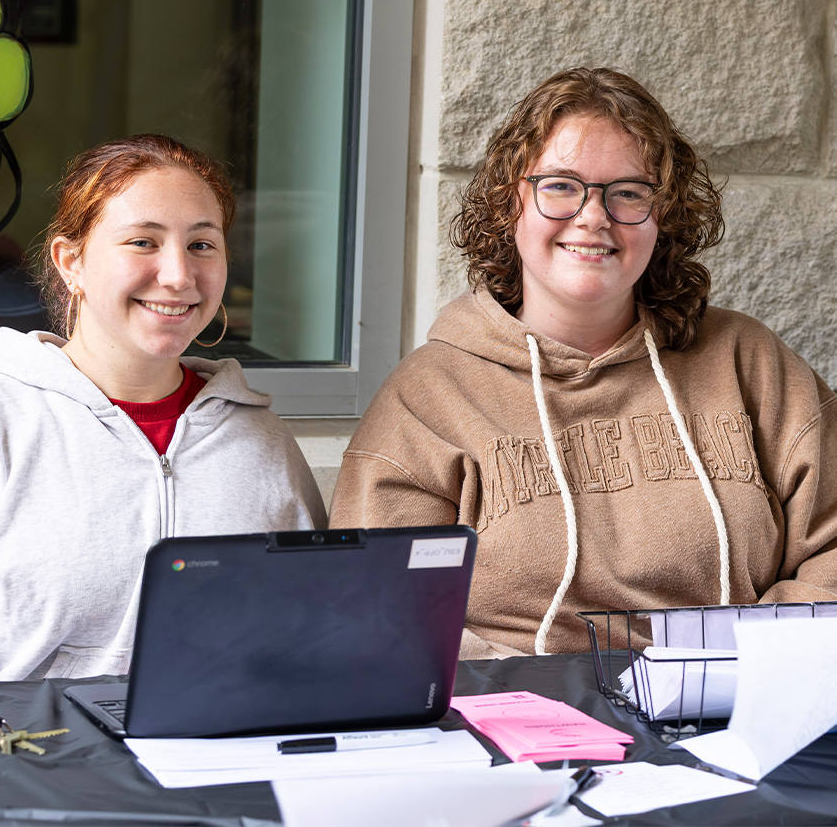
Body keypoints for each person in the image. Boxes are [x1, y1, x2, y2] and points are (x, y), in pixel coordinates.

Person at [329, 67, 837, 658]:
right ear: (510, 202)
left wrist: (760, 665)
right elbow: (381, 603)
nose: (594, 216)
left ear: (662, 217)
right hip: (522, 726)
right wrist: (531, 698)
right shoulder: (428, 399)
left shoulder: (749, 362)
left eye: (628, 192)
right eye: (562, 186)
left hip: (735, 710)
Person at [0, 134, 327, 683]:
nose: (179, 276)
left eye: (202, 245)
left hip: (225, 759)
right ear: (72, 263)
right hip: (35, 758)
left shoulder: (261, 439)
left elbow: (311, 636)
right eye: (143, 242)